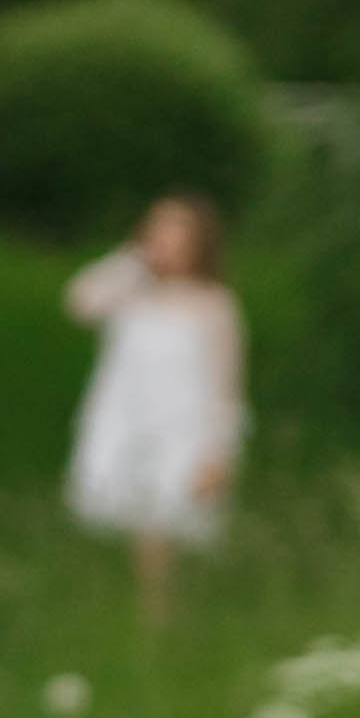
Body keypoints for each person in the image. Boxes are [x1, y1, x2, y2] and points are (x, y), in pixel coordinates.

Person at [64, 194, 247, 618]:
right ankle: (120, 615)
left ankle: (159, 626)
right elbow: (80, 302)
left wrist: (219, 452)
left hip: (181, 435)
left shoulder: (214, 305)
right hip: (121, 425)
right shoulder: (130, 294)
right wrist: (132, 261)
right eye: (157, 231)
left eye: (178, 234)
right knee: (118, 528)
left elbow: (226, 387)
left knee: (161, 535)